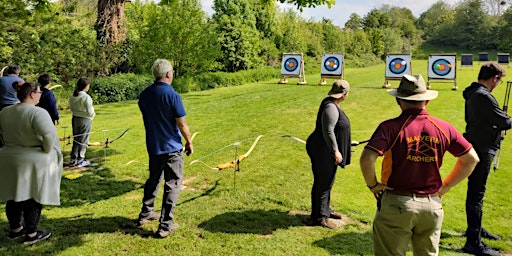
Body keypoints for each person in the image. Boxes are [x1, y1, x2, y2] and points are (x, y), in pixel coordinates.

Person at [360, 74, 479, 255]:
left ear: (399, 101)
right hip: (432, 206)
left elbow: (367, 158)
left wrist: (373, 185)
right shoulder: (444, 128)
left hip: (398, 202)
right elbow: (472, 158)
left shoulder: (390, 127)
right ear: (426, 101)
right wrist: (445, 187)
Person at [0, 82, 63, 245]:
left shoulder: (5, 111)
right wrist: (47, 149)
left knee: (13, 195)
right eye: (39, 92)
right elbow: (48, 135)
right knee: (33, 196)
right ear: (32, 94)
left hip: (9, 158)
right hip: (31, 160)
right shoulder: (38, 112)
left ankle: (15, 229)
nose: (41, 95)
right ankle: (32, 234)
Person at [137, 59, 193, 238]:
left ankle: (146, 213)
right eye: (172, 72)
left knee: (153, 179)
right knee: (172, 184)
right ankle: (165, 225)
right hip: (171, 148)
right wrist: (189, 142)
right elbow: (182, 124)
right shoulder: (172, 95)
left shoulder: (144, 95)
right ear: (168, 74)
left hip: (154, 147)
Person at [462, 62, 512, 256]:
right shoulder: (482, 96)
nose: (498, 84)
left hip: (478, 145)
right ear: (494, 78)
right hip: (482, 148)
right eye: (499, 81)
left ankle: (475, 228)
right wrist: (504, 122)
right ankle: (473, 242)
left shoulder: (475, 93)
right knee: (477, 193)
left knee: (475, 191)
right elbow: (505, 121)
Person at [303, 80, 351, 229]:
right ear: (344, 95)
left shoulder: (332, 104)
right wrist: (335, 150)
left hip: (324, 149)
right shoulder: (331, 108)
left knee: (327, 181)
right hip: (322, 151)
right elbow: (328, 130)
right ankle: (319, 217)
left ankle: (325, 210)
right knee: (323, 183)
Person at [69, 77, 95, 167]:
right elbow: (90, 112)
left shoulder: (73, 96)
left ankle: (73, 159)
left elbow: (72, 108)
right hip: (85, 119)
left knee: (76, 139)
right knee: (83, 139)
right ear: (86, 86)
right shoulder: (86, 97)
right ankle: (80, 159)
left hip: (75, 118)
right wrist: (92, 116)